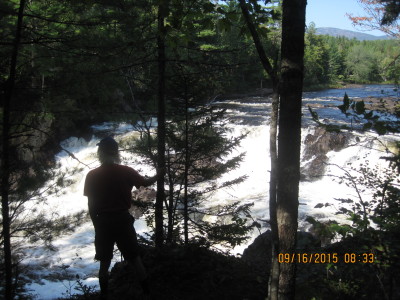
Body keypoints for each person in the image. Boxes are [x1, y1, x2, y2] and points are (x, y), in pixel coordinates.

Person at [83, 136, 157, 299]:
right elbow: (145, 182)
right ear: (116, 153)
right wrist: (160, 173)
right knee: (134, 258)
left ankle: (104, 295)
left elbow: (91, 205)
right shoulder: (126, 171)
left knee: (104, 262)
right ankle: (147, 293)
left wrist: (97, 225)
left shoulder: (92, 175)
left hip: (103, 222)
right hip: (123, 220)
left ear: (100, 153)